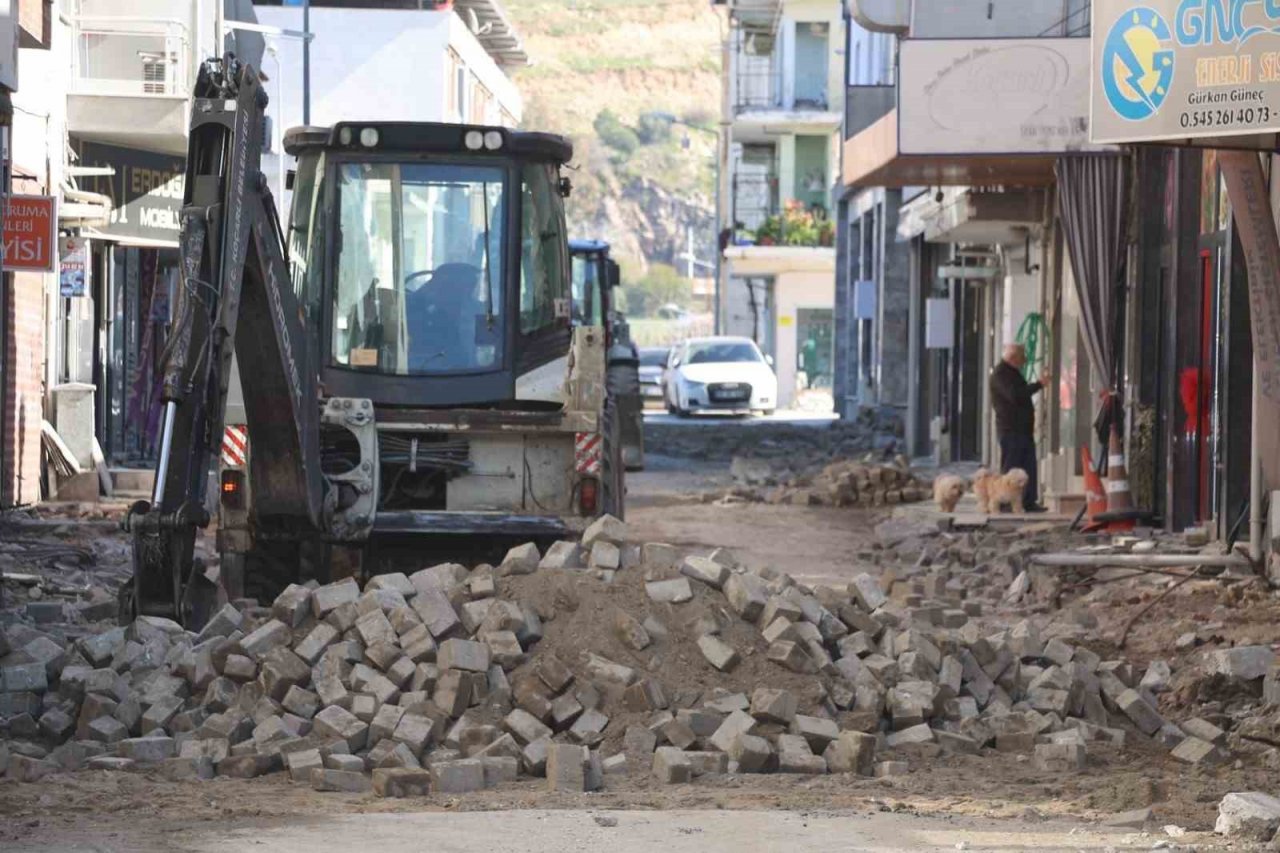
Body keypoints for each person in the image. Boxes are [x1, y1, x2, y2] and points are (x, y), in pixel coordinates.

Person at [989, 343, 1049, 512]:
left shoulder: (1013, 373)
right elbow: (1015, 395)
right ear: (1013, 358)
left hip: (1023, 429)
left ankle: (1028, 501)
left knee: (1028, 466)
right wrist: (1038, 384)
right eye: (1023, 357)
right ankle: (1006, 502)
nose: (1025, 361)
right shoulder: (1000, 374)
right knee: (1011, 468)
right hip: (1011, 429)